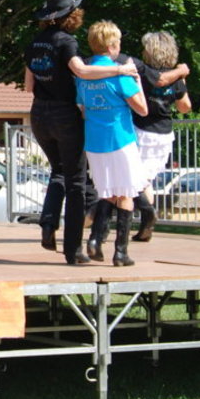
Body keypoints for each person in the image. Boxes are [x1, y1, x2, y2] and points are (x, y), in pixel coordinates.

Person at [24, 0, 137, 266]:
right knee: (76, 182)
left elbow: (28, 85)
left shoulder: (34, 43)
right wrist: (120, 69)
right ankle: (73, 250)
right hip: (64, 114)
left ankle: (48, 223)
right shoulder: (66, 41)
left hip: (39, 114)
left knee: (58, 170)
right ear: (70, 15)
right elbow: (82, 70)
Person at [77, 20, 149, 266]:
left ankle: (95, 240)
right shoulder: (120, 73)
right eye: (118, 43)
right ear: (111, 47)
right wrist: (137, 80)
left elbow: (82, 108)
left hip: (95, 141)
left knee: (107, 192)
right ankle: (121, 252)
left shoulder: (85, 74)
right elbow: (142, 109)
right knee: (126, 193)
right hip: (120, 138)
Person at [128, 32, 193, 243]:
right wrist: (182, 78)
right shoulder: (176, 78)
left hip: (142, 130)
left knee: (134, 179)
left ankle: (146, 215)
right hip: (164, 134)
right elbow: (185, 107)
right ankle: (146, 223)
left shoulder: (145, 74)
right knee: (146, 180)